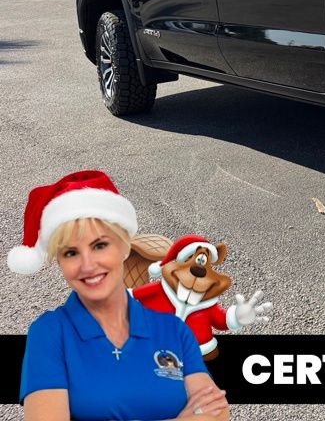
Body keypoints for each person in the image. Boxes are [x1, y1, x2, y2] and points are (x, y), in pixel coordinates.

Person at [8, 170, 230, 421]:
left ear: (125, 246)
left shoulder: (173, 329)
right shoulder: (50, 333)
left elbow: (218, 413)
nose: (88, 265)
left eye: (100, 245)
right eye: (70, 253)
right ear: (59, 262)